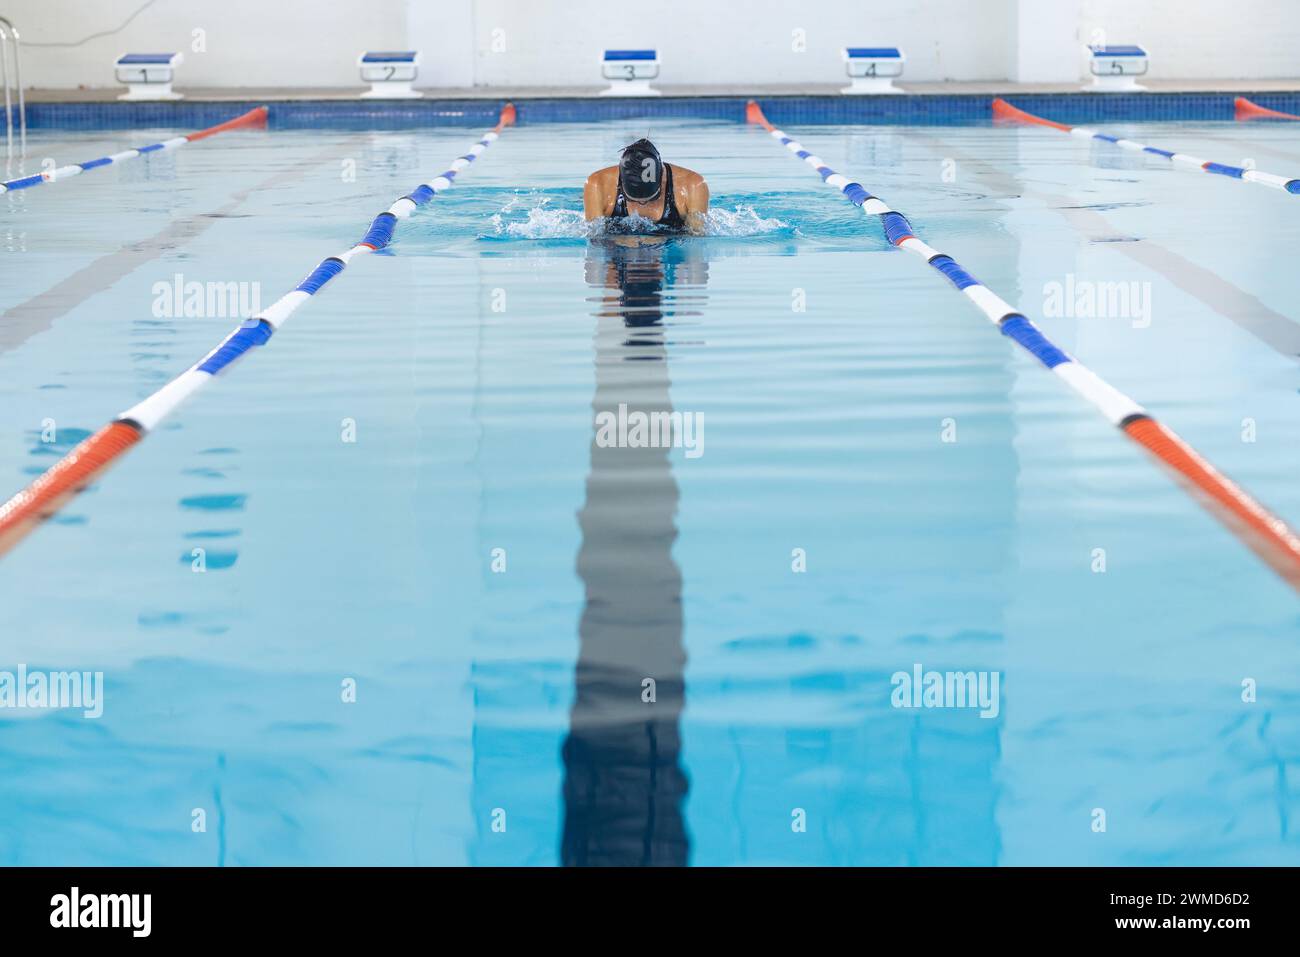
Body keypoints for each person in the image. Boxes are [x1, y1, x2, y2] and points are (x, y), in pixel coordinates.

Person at [583, 138, 709, 234]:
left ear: (662, 179)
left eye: (651, 198)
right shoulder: (598, 186)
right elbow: (595, 242)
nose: (642, 203)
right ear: (621, 182)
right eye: (632, 199)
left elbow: (696, 241)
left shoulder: (692, 186)